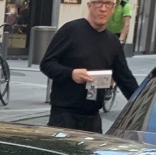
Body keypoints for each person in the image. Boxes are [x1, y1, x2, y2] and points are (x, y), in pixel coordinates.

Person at [40, 0, 139, 132]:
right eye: (99, 3)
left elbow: (125, 79)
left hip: (92, 117)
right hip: (64, 115)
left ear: (113, 8)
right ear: (89, 5)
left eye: (108, 4)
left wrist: (143, 106)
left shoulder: (112, 42)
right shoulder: (70, 30)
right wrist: (71, 74)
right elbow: (47, 64)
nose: (103, 9)